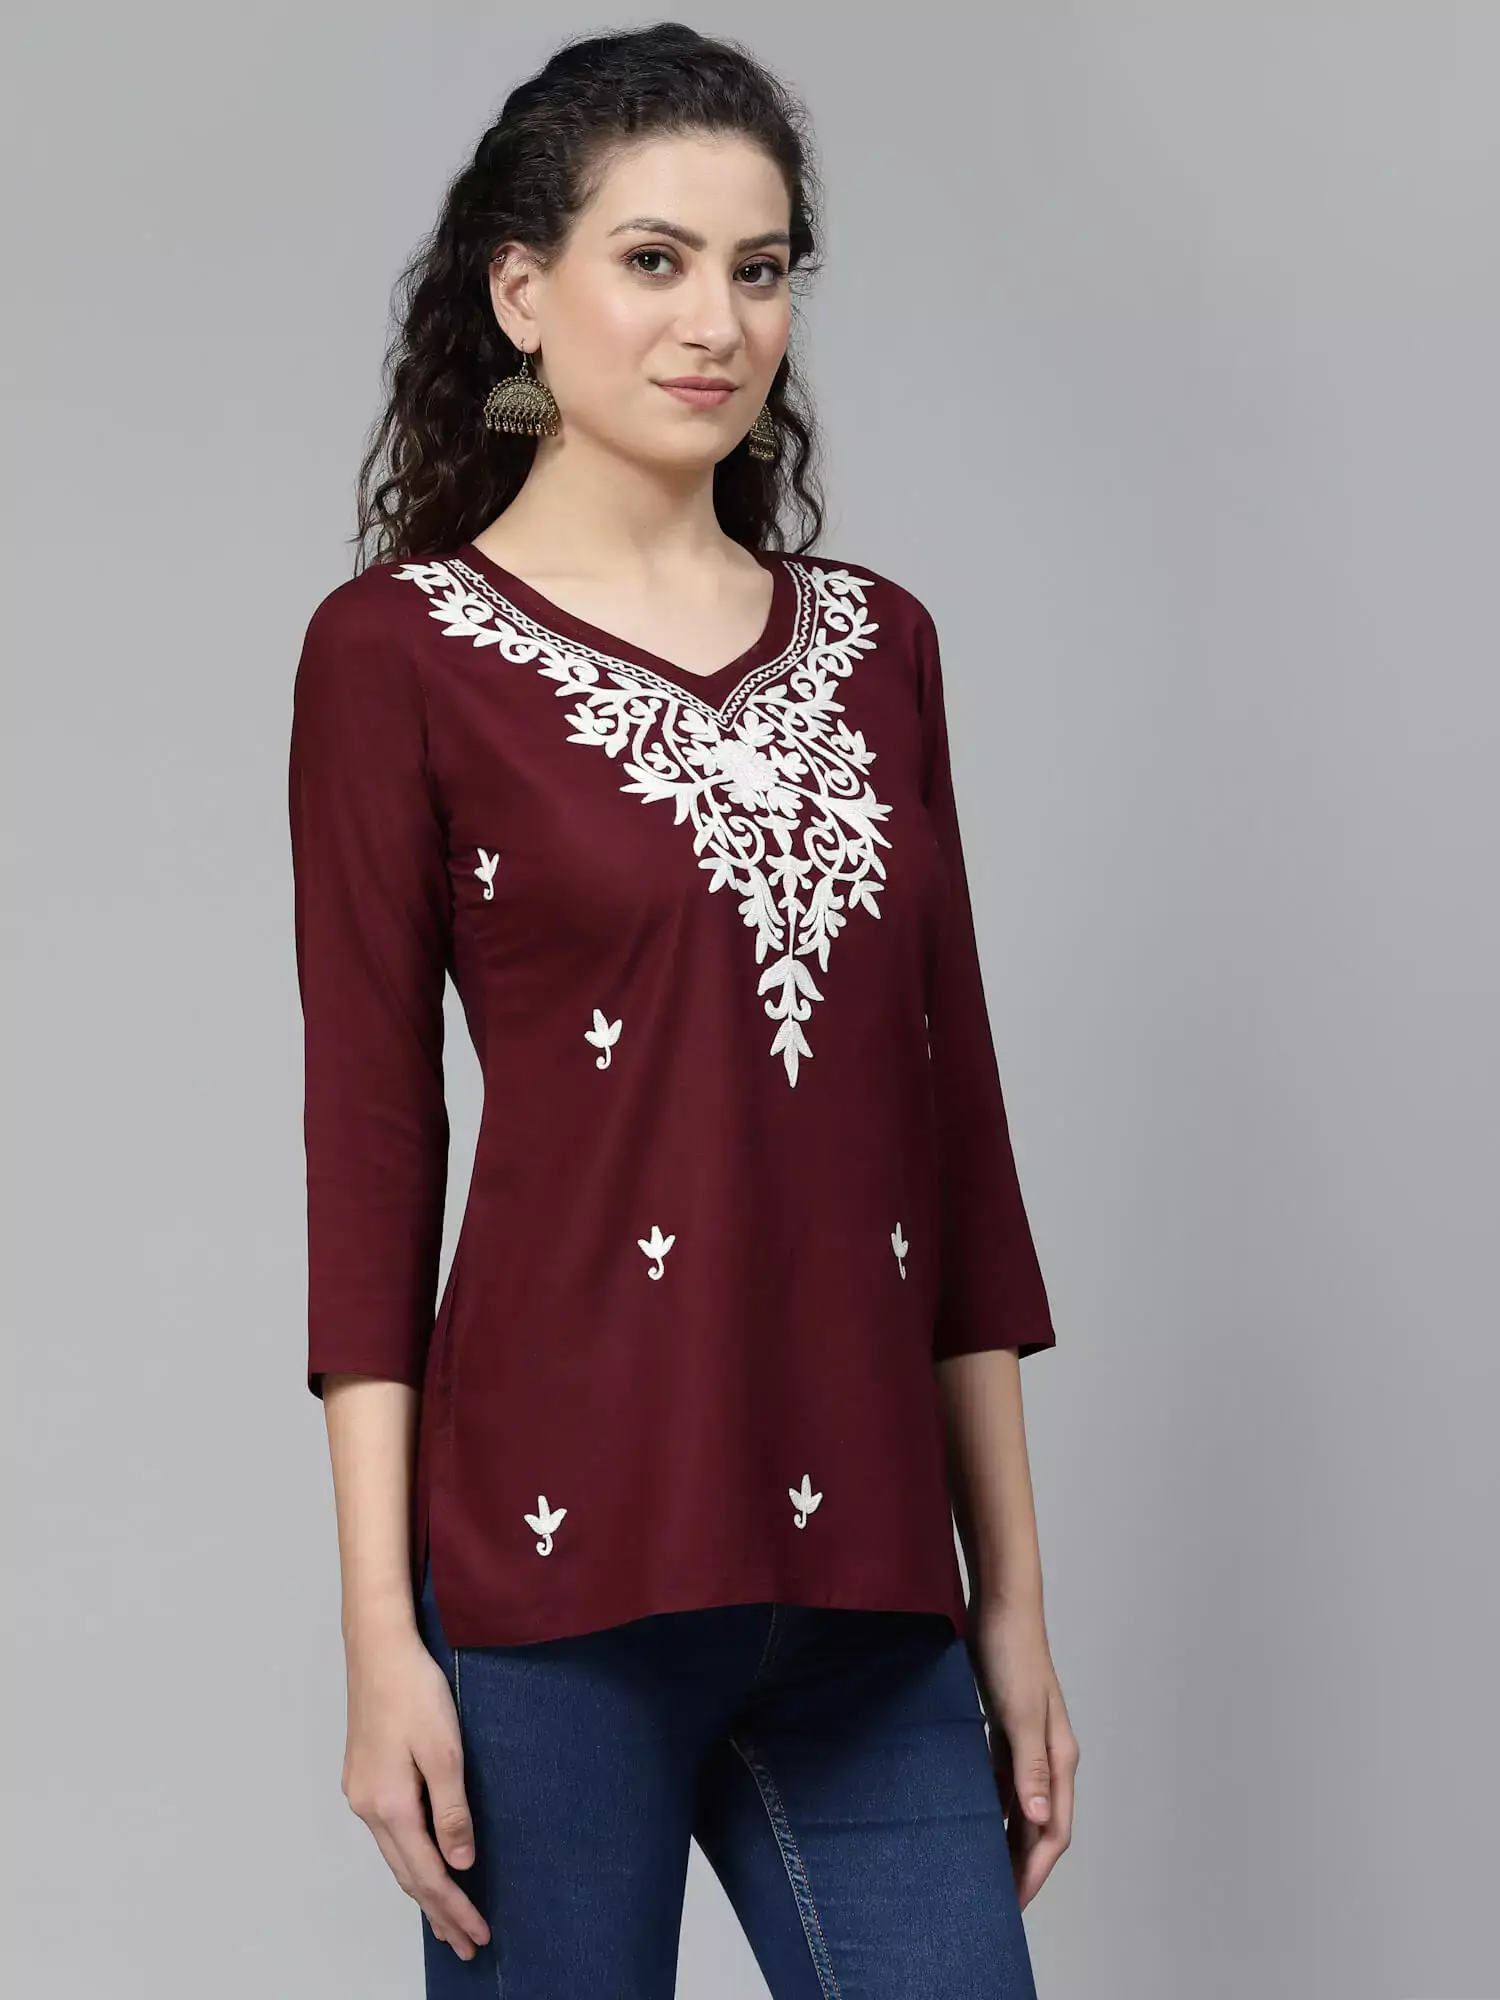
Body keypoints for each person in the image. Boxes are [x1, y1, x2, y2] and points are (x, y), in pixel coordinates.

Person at [287, 21, 1078, 1997]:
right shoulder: (399, 654)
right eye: (655, 260)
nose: (718, 321)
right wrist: (381, 1632)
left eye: (761, 265)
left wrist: (1012, 1603)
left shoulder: (878, 647)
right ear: (521, 291)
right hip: (551, 1580)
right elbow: (373, 1160)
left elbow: (956, 1139)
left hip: (869, 1583)